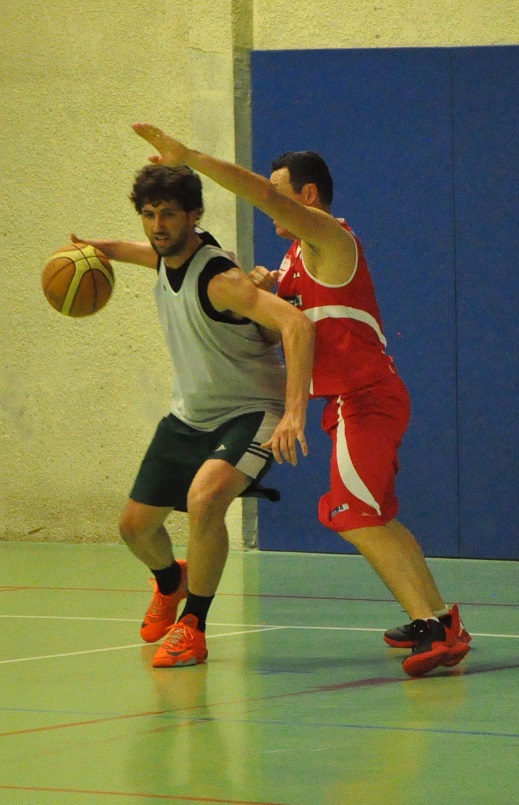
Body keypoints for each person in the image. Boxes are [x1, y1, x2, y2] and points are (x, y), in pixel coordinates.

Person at [131, 122, 471, 677]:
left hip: (366, 397)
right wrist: (267, 288)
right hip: (348, 403)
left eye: (279, 192)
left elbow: (260, 195)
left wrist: (190, 156)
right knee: (376, 514)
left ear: (306, 197)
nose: (269, 202)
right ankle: (435, 617)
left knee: (352, 513)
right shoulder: (295, 259)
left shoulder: (332, 240)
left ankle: (433, 632)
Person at [73, 162, 315, 668]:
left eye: (167, 214)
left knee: (205, 501)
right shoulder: (164, 255)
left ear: (194, 215)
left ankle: (194, 626)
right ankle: (170, 581)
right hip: (192, 414)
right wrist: (98, 249)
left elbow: (295, 324)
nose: (157, 225)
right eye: (148, 214)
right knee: (134, 529)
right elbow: (142, 254)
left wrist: (294, 413)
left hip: (252, 410)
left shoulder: (221, 279)